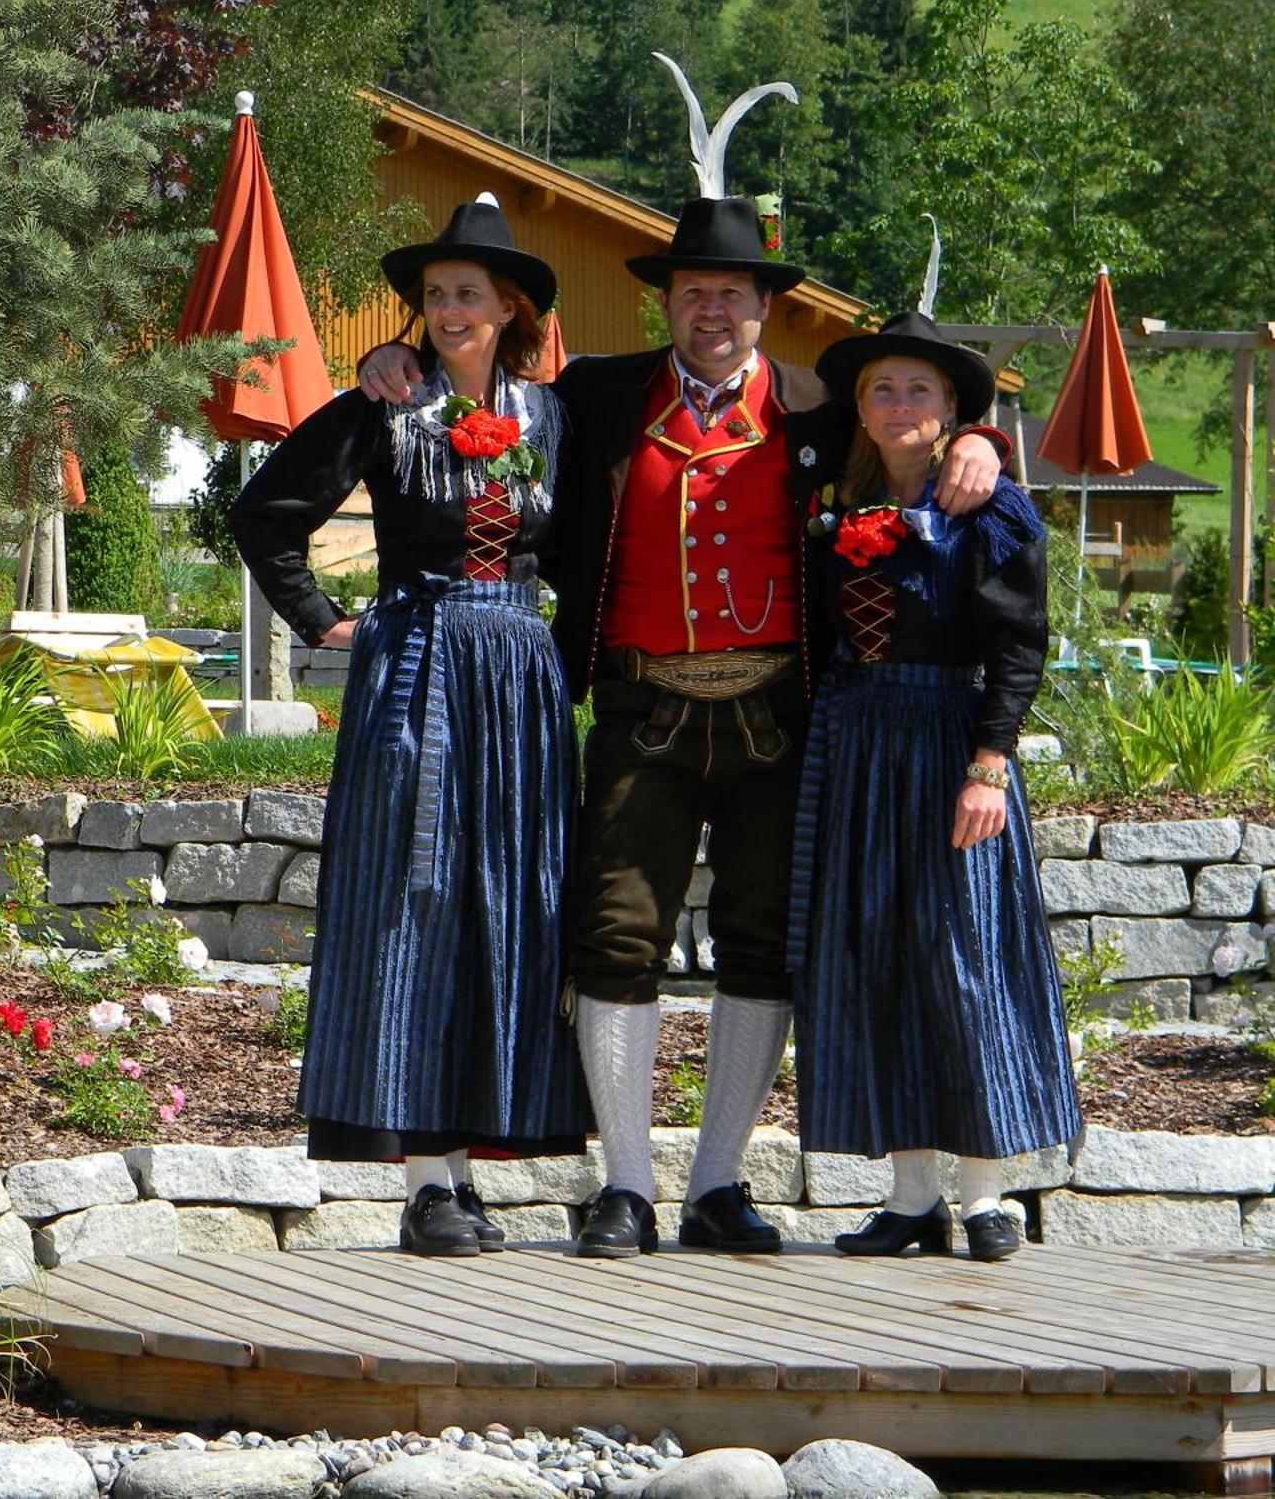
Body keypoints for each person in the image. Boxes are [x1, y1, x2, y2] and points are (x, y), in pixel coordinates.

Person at [355, 64, 1011, 1259]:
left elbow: (909, 416)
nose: (714, 313)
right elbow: (474, 381)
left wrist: (976, 439)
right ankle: (622, 1186)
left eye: (735, 297)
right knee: (614, 935)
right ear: (667, 302)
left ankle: (715, 1184)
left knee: (762, 943)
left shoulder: (818, 413)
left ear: (764, 310)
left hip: (778, 715)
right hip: (639, 707)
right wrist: (389, 366)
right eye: (695, 294)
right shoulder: (595, 400)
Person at [230, 196, 592, 1256]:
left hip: (519, 674)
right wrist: (323, 622)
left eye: (465, 294)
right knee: (416, 899)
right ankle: (429, 1181)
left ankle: (483, 1162)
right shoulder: (382, 407)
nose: (445, 309)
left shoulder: (554, 416)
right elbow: (265, 513)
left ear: (510, 305)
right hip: (419, 664)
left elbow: (575, 552)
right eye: (431, 296)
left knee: (510, 904)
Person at [789, 310, 1082, 1263]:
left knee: (965, 961)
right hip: (860, 743)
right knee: (878, 958)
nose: (900, 404)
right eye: (883, 389)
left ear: (950, 407)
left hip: (953, 742)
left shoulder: (989, 509)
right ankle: (912, 1196)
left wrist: (989, 764)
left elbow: (1020, 644)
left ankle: (987, 1193)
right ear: (862, 411)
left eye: (920, 388)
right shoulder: (835, 496)